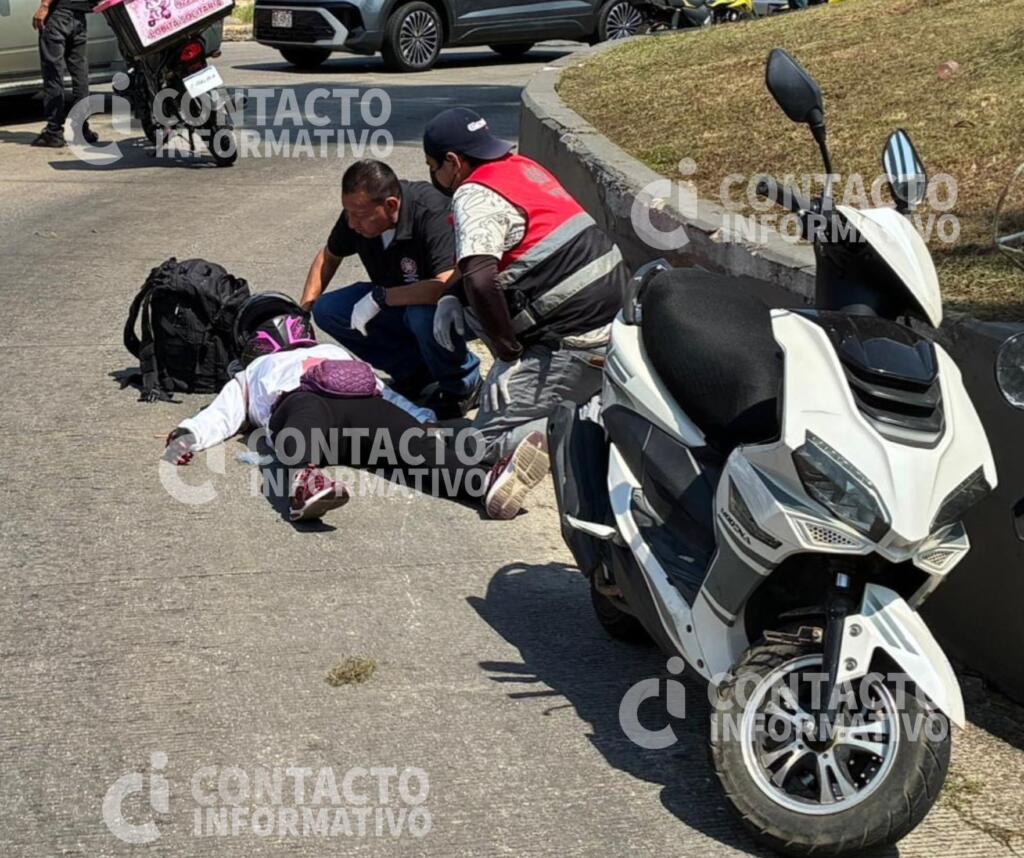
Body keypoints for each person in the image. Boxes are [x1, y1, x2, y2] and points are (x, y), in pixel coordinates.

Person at [163, 293, 549, 522]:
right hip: (304, 403)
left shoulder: (328, 350)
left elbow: (377, 387)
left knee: (415, 447)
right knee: (303, 422)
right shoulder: (250, 374)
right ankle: (306, 481)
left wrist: (420, 419)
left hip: (362, 405)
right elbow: (221, 413)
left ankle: (484, 484)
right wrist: (187, 435)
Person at [422, 108, 628, 463]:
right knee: (470, 306)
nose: (432, 176)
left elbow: (480, 277)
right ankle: (583, 400)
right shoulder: (522, 169)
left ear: (453, 162)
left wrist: (507, 357)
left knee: (479, 445)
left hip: (577, 341)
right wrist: (449, 297)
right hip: (618, 318)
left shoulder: (473, 194)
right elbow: (507, 254)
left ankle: (590, 426)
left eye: (433, 166)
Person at [300, 160, 480, 420]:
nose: (351, 224)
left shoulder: (430, 211)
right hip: (396, 303)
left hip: (451, 308)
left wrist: (381, 298)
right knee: (328, 310)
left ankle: (463, 384)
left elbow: (445, 284)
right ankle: (416, 376)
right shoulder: (357, 214)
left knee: (421, 314)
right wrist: (302, 313)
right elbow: (328, 256)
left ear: (391, 206)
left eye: (359, 216)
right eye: (347, 213)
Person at [31, 0, 99, 148]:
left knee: (53, 74)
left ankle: (54, 131)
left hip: (58, 14)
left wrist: (44, 5)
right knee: (80, 74)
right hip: (78, 16)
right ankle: (81, 128)